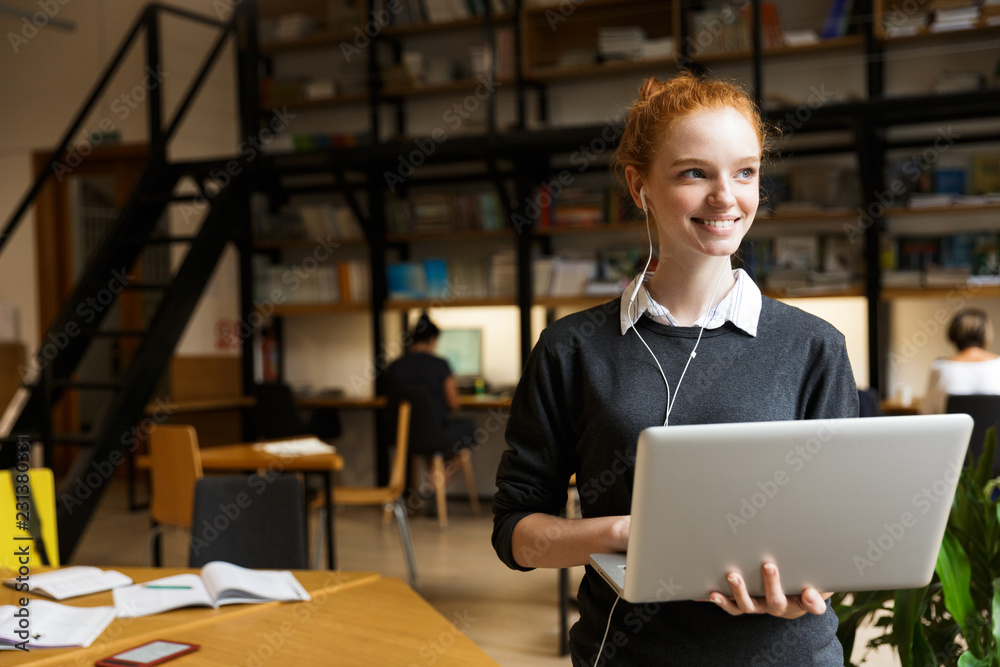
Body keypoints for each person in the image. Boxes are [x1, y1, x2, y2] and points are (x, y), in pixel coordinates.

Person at [492, 72, 859, 666]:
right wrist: (620, 535)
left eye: (745, 172)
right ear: (639, 186)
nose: (726, 197)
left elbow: (842, 531)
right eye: (695, 172)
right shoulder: (571, 348)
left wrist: (805, 594)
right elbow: (516, 533)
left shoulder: (814, 347)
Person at [384, 312, 476, 456]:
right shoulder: (441, 365)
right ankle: (439, 478)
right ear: (433, 340)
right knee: (469, 429)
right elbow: (454, 404)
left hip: (400, 436)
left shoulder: (395, 366)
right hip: (435, 436)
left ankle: (433, 476)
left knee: (432, 436)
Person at [921, 308, 1000, 415]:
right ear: (986, 335)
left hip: (952, 432)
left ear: (953, 336)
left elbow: (927, 413)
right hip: (993, 432)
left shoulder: (939, 368)